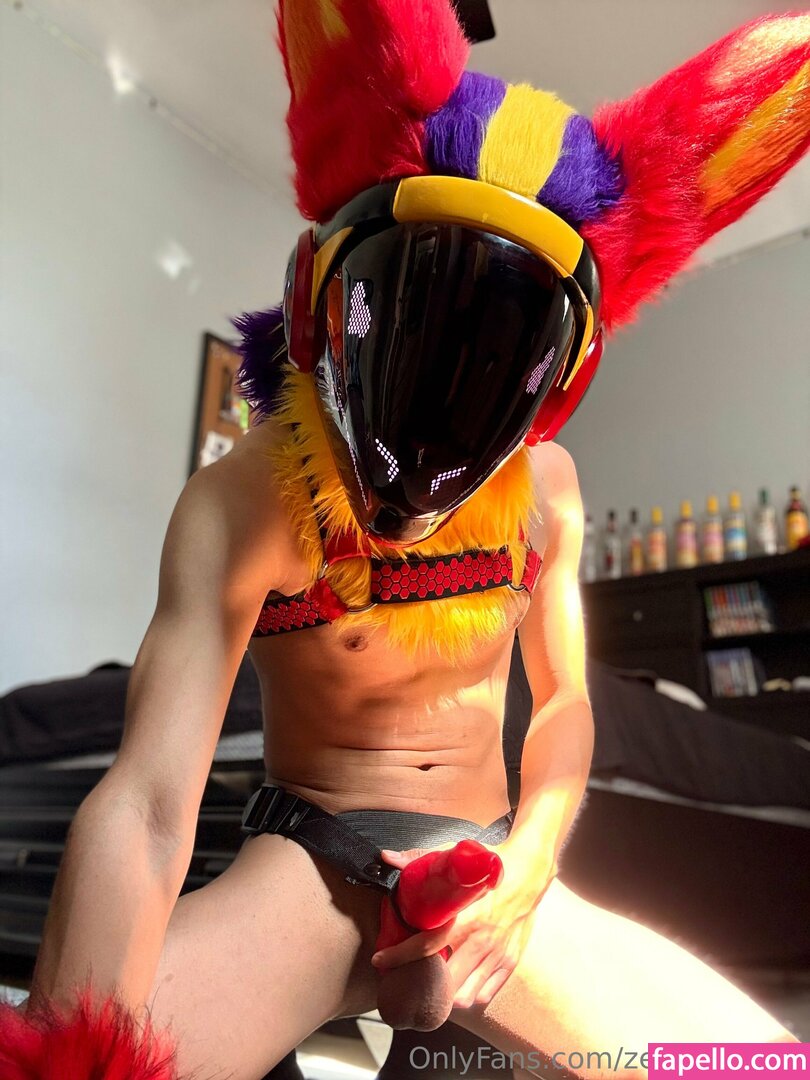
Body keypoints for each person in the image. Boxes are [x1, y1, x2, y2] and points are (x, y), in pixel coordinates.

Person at [13, 4, 810, 1078]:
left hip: (488, 874)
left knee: (754, 1065)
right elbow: (150, 798)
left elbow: (566, 703)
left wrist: (530, 869)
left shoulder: (549, 495)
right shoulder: (242, 503)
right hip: (313, 864)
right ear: (321, 303)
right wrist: (74, 1046)